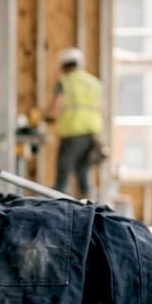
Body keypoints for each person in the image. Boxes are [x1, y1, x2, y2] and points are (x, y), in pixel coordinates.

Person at [46, 47, 104, 198]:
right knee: (83, 172)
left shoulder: (65, 81)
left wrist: (46, 116)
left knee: (62, 175)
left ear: (63, 65)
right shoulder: (94, 82)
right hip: (92, 135)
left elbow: (55, 107)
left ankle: (57, 206)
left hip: (72, 133)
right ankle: (88, 206)